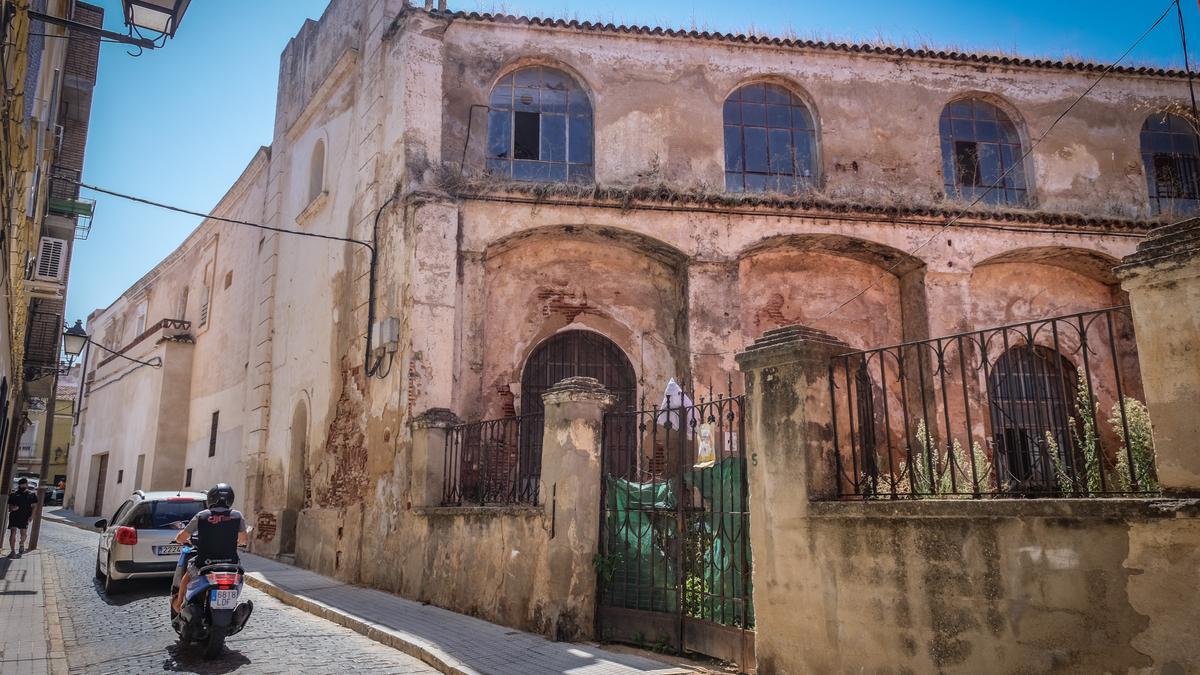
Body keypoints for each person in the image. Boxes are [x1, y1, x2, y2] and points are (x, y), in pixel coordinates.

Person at [170, 483, 248, 614]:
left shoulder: (202, 515)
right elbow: (243, 540)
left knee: (187, 576)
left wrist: (185, 540)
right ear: (230, 498)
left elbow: (181, 537)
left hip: (204, 564)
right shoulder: (237, 515)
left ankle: (179, 604)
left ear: (211, 498)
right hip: (230, 565)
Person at [7, 478, 38, 558]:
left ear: (27, 485)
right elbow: (9, 507)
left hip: (25, 517)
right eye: (21, 484)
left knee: (23, 534)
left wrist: (32, 516)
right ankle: (12, 551)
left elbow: (34, 506)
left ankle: (21, 544)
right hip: (14, 516)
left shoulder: (31, 495)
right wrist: (13, 508)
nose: (23, 485)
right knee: (13, 532)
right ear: (19, 485)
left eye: (24, 484)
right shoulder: (14, 494)